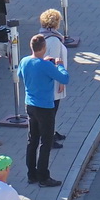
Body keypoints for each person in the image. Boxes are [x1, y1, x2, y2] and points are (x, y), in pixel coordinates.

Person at [19, 33, 67, 186]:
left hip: (30, 105)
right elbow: (64, 78)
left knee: (32, 140)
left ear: (31, 47)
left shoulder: (24, 61)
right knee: (46, 142)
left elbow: (20, 75)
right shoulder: (47, 65)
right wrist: (60, 65)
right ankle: (43, 177)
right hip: (45, 107)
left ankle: (31, 174)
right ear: (44, 48)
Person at [38, 10, 66, 146]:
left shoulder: (42, 36)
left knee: (50, 110)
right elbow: (54, 62)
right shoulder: (54, 40)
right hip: (53, 82)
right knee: (52, 110)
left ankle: (52, 132)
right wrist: (61, 81)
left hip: (45, 79)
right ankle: (49, 138)